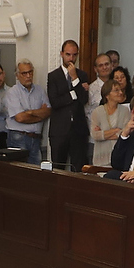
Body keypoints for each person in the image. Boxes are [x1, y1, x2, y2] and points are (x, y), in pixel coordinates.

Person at [45, 40, 89, 171]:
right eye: (68, 54)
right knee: (58, 168)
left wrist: (75, 78)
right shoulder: (53, 76)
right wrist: (73, 94)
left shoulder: (82, 75)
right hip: (59, 131)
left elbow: (83, 99)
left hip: (78, 130)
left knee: (79, 168)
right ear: (62, 54)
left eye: (74, 55)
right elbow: (55, 102)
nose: (71, 58)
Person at [3, 60, 50, 161]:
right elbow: (20, 118)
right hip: (18, 138)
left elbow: (48, 112)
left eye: (30, 72)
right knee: (20, 173)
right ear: (17, 75)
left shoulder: (40, 90)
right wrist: (39, 114)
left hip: (36, 139)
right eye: (24, 73)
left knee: (35, 173)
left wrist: (31, 112)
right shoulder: (12, 92)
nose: (28, 76)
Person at [90, 80, 131, 167]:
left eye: (120, 90)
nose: (120, 92)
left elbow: (125, 134)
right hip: (101, 159)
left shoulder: (125, 111)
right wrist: (116, 130)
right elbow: (95, 135)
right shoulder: (97, 112)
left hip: (119, 158)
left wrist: (103, 133)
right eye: (116, 90)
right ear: (107, 95)